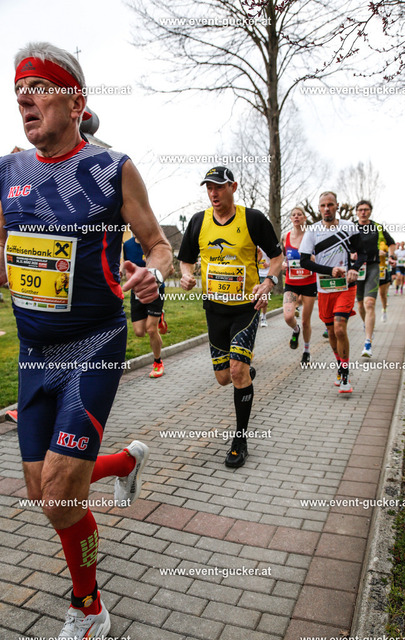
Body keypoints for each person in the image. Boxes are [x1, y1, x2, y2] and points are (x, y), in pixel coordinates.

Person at [0, 42, 172, 640]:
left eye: (38, 89)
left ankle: (89, 605)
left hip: (93, 345)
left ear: (75, 103)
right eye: (18, 91)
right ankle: (124, 462)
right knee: (42, 491)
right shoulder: (7, 172)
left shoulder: (111, 168)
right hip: (33, 353)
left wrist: (153, 273)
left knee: (59, 492)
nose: (24, 99)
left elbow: (158, 244)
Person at [178, 166, 282, 468]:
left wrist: (269, 282)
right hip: (214, 309)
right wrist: (186, 276)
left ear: (233, 187)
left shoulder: (253, 219)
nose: (213, 193)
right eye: (209, 187)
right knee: (224, 378)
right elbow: (186, 260)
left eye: (219, 187)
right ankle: (244, 374)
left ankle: (240, 440)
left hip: (245, 308)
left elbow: (277, 258)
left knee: (236, 371)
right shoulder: (198, 221)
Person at [299, 191, 367, 393]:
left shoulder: (349, 227)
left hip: (346, 286)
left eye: (330, 204)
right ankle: (340, 365)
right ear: (319, 208)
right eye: (323, 205)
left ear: (337, 206)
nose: (326, 208)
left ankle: (345, 373)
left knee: (339, 328)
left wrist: (354, 268)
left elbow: (362, 253)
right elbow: (304, 261)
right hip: (325, 287)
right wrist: (330, 270)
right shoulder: (312, 230)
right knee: (330, 331)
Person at [122, 234, 168, 378]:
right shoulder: (127, 245)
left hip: (156, 289)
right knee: (139, 332)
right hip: (137, 291)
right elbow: (127, 267)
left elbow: (168, 267)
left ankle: (158, 362)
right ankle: (160, 316)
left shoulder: (155, 242)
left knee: (151, 329)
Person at [354, 200, 395, 357]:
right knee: (360, 305)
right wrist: (350, 253)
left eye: (366, 209)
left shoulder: (377, 227)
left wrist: (390, 255)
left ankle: (368, 342)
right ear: (356, 212)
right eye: (360, 210)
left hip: (373, 266)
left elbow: (391, 243)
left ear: (370, 211)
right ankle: (367, 325)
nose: (363, 212)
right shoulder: (351, 227)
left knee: (369, 303)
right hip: (357, 268)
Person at [282, 207, 317, 364]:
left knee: (305, 320)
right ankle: (296, 330)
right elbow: (284, 256)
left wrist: (313, 259)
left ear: (304, 218)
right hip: (292, 283)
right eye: (293, 215)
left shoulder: (311, 236)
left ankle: (306, 351)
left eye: (299, 214)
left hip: (309, 283)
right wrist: (283, 264)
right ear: (291, 218)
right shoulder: (286, 237)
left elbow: (319, 257)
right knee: (288, 316)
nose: (296, 217)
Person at [257, 246, 270, 326]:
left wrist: (268, 264)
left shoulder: (267, 245)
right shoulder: (256, 245)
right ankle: (256, 317)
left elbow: (275, 259)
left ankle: (263, 318)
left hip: (266, 274)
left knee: (264, 297)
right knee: (255, 296)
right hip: (257, 274)